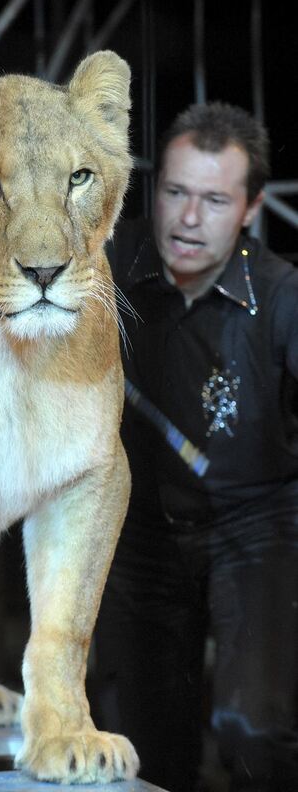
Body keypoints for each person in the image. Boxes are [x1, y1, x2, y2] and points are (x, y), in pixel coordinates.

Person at [92, 101, 298, 792]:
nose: (188, 219)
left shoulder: (281, 293)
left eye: (214, 200)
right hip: (140, 533)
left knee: (254, 732)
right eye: (176, 192)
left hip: (255, 529)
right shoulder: (107, 267)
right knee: (131, 742)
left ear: (250, 208)